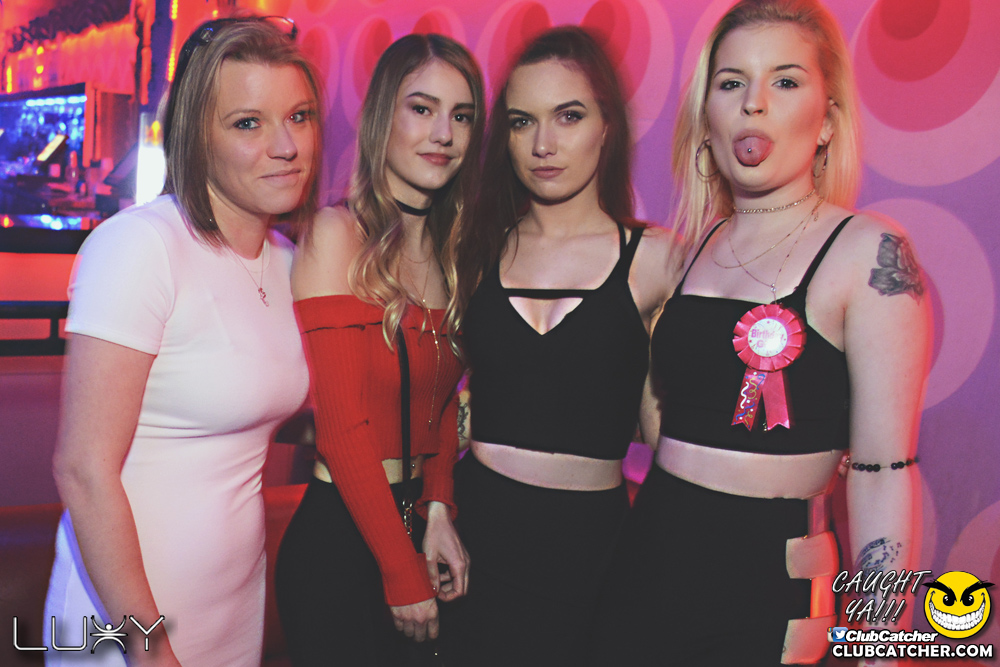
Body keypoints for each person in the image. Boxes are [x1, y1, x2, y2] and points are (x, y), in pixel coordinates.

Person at [592, 1, 931, 665]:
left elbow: (882, 476)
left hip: (769, 588)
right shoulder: (695, 245)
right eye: (731, 82)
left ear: (827, 120)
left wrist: (882, 646)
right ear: (708, 116)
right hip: (645, 562)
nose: (754, 102)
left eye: (785, 80)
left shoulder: (869, 252)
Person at [43, 16, 320, 667]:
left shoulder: (289, 262)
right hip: (123, 622)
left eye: (299, 116)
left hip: (232, 609)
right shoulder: (141, 247)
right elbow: (82, 470)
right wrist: (149, 649)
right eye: (248, 123)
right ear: (198, 136)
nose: (286, 145)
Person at [441, 26, 675, 667]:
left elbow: (672, 430)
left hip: (592, 549)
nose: (543, 144)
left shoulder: (657, 260)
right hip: (474, 535)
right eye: (523, 122)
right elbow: (437, 396)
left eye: (568, 116)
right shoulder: (474, 249)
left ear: (607, 126)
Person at [274, 33, 484, 666]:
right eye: (422, 108)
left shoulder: (451, 253)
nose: (443, 133)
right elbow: (341, 428)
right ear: (381, 119)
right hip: (341, 537)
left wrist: (439, 508)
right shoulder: (337, 233)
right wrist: (400, 568)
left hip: (415, 521)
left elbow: (441, 402)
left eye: (461, 116)